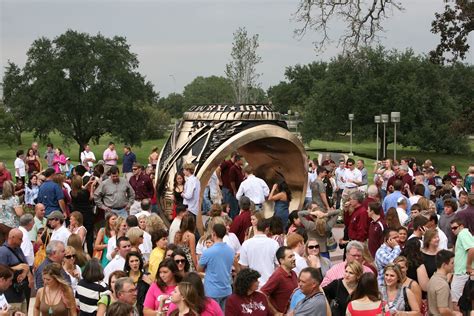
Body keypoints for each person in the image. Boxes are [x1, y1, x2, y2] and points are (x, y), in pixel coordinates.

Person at [198, 223, 235, 310]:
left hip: (212, 291)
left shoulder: (208, 252)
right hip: (226, 289)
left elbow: (199, 269)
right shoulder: (231, 250)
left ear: (213, 234)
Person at [239, 218, 279, 288]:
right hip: (269, 283)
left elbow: (243, 266)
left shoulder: (246, 243)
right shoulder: (274, 243)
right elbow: (278, 265)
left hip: (252, 283)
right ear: (267, 229)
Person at [0, 229, 31, 314]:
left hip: (21, 293)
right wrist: (15, 267)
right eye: (20, 239)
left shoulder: (18, 249)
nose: (22, 241)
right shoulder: (3, 251)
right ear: (13, 238)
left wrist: (24, 274)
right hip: (10, 296)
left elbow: (26, 265)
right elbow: (1, 272)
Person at [261, 246, 298, 315]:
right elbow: (262, 294)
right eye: (290, 257)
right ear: (282, 261)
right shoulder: (278, 275)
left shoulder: (293, 273)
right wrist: (275, 312)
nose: (294, 259)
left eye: (293, 256)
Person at [427, 250, 462, 316]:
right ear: (444, 265)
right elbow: (443, 310)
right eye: (452, 263)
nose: (454, 265)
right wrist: (455, 314)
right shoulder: (442, 285)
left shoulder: (433, 279)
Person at [450, 218, 474, 307]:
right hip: (463, 273)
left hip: (462, 273)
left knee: (456, 302)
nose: (453, 230)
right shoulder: (466, 235)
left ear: (461, 226)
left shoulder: (463, 233)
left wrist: (468, 266)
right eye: (451, 228)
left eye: (455, 228)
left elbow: (471, 249)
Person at [70, 175, 95, 256]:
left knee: (80, 236)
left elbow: (81, 189)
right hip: (87, 215)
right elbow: (91, 197)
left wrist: (87, 184)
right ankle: (90, 254)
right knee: (89, 237)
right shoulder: (85, 193)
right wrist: (91, 188)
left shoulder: (72, 192)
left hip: (78, 216)